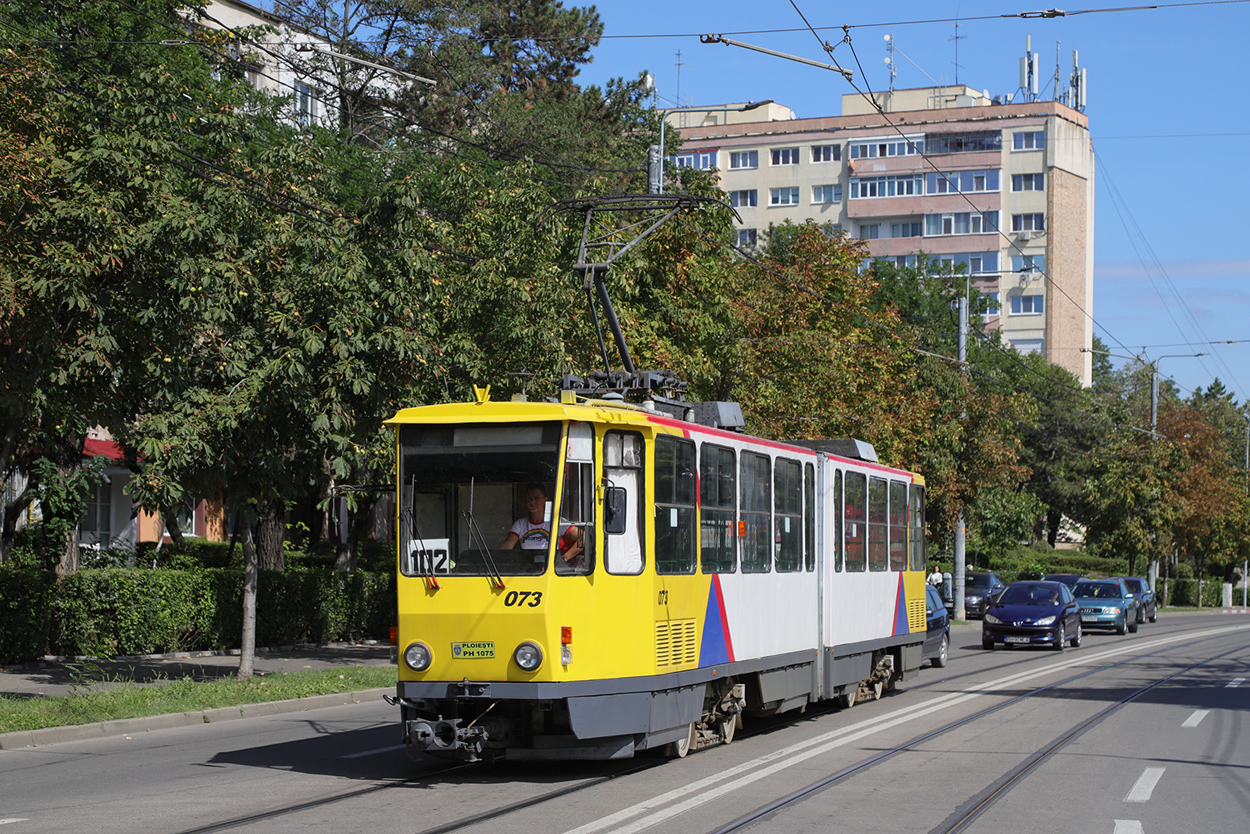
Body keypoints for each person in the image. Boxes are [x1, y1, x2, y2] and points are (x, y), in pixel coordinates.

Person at [500, 484, 584, 566]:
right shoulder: (520, 524)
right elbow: (509, 544)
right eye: (529, 499)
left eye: (537, 498)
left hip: (549, 572)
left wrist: (565, 558)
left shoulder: (556, 522)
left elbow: (583, 538)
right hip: (527, 570)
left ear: (545, 500)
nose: (532, 502)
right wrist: (494, 556)